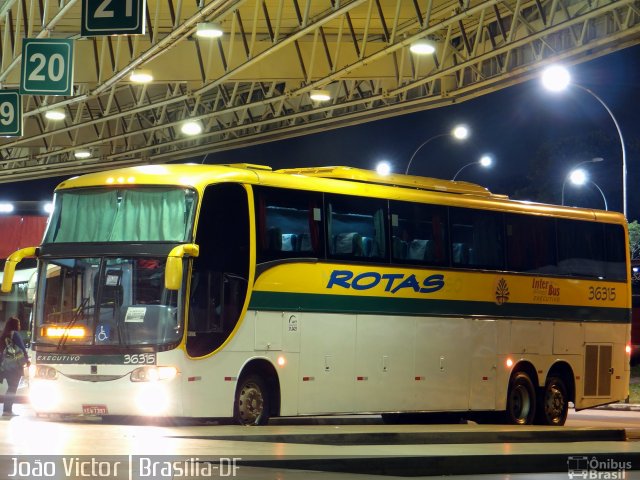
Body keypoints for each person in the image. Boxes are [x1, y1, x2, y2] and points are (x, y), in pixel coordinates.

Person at [0, 317, 30, 417]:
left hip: (5, 366)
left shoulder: (4, 335)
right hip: (14, 366)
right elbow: (22, 348)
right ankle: (7, 411)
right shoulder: (15, 334)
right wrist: (27, 359)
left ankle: (7, 410)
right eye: (18, 324)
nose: (20, 326)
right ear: (15, 325)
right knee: (12, 388)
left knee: (10, 388)